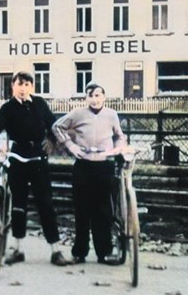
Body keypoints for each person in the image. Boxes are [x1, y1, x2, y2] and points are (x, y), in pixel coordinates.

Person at [0, 71, 69, 267]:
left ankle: (56, 249)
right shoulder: (8, 108)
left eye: (27, 84)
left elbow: (55, 125)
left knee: (46, 204)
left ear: (32, 87)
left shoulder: (40, 104)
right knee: (18, 205)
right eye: (19, 84)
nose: (23, 88)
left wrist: (51, 140)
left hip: (38, 158)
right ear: (13, 87)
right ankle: (18, 249)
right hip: (17, 158)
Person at [53, 83, 131, 265]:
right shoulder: (78, 113)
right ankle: (79, 252)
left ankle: (104, 252)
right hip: (83, 166)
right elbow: (57, 127)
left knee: (103, 211)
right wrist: (71, 145)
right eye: (91, 96)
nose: (95, 99)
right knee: (82, 210)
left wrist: (119, 147)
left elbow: (119, 135)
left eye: (98, 95)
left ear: (104, 97)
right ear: (86, 98)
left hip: (104, 166)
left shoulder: (112, 115)